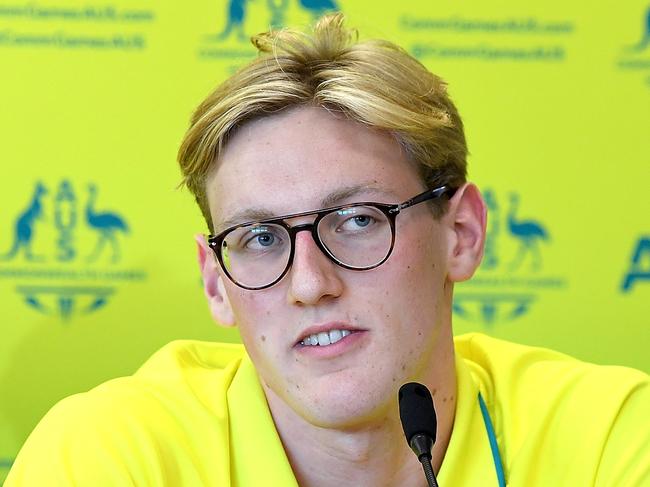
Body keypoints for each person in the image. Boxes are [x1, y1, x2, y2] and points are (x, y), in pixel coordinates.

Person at [6, 14, 650, 487]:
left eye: (357, 220)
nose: (310, 283)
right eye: (260, 238)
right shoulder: (110, 456)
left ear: (462, 235)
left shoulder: (611, 438)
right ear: (216, 283)